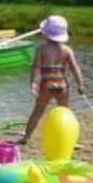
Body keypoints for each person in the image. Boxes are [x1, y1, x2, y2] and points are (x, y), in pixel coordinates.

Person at [20, 15, 84, 144]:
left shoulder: (41, 49)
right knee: (66, 113)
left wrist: (33, 83)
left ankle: (26, 138)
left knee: (37, 112)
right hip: (62, 85)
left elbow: (36, 68)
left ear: (46, 34)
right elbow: (75, 68)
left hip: (46, 84)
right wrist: (80, 84)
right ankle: (72, 140)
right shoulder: (67, 50)